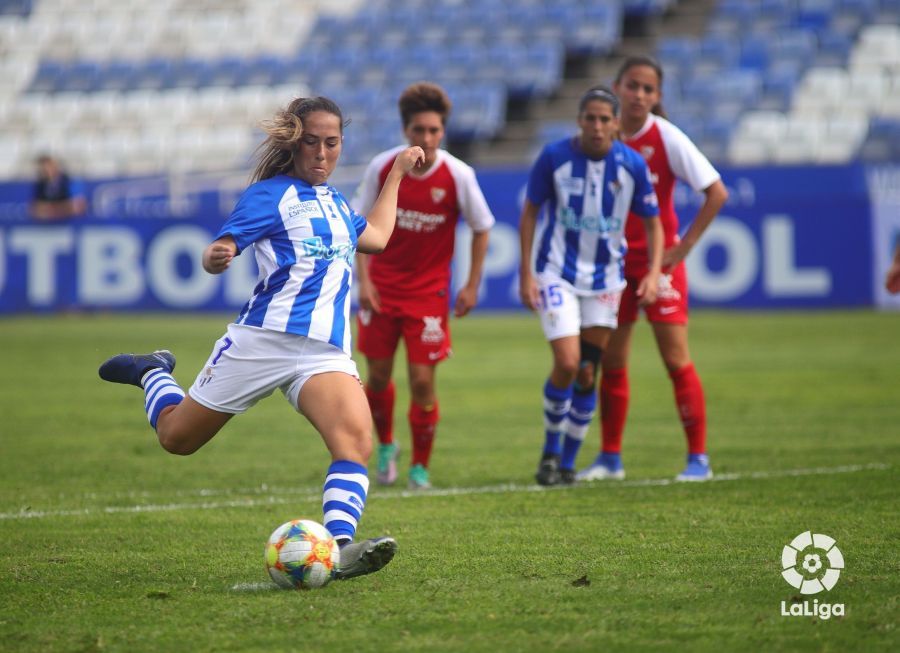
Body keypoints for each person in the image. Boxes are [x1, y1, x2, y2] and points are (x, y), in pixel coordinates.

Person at [97, 96, 425, 580]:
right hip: (261, 341)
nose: (321, 153)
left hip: (323, 353)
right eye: (311, 142)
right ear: (294, 145)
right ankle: (151, 372)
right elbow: (226, 243)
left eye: (331, 144)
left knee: (355, 443)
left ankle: (338, 548)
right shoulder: (270, 195)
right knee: (176, 438)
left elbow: (375, 237)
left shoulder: (335, 203)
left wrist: (396, 172)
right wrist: (218, 254)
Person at [578, 55, 729, 483]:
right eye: (633, 86)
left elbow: (716, 192)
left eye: (648, 89)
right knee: (612, 361)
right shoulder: (600, 136)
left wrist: (682, 249)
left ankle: (698, 459)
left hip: (657, 265)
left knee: (676, 359)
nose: (639, 95)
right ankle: (610, 458)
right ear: (618, 88)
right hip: (611, 267)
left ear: (657, 96)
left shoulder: (666, 138)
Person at [352, 82, 495, 490]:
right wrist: (363, 281)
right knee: (376, 378)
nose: (426, 139)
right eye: (419, 131)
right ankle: (387, 446)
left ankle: (420, 466)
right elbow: (357, 226)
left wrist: (470, 285)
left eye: (434, 131)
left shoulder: (457, 174)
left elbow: (483, 227)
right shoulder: (383, 167)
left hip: (428, 294)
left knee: (421, 381)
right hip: (381, 287)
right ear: (405, 131)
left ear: (443, 132)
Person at [519, 85, 663, 486]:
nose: (597, 126)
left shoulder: (632, 165)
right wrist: (526, 272)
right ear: (579, 121)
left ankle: (567, 462)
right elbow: (530, 212)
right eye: (590, 118)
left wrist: (652, 273)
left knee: (587, 371)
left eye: (605, 119)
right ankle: (549, 451)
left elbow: (654, 222)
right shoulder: (554, 157)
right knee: (567, 362)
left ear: (616, 124)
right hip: (557, 272)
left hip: (605, 280)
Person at [30, 154, 87, 220]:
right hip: (47, 224)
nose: (47, 169)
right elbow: (36, 207)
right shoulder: (41, 183)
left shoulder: (68, 180)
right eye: (44, 167)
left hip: (68, 222)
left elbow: (78, 205)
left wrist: (55, 209)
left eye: (49, 166)